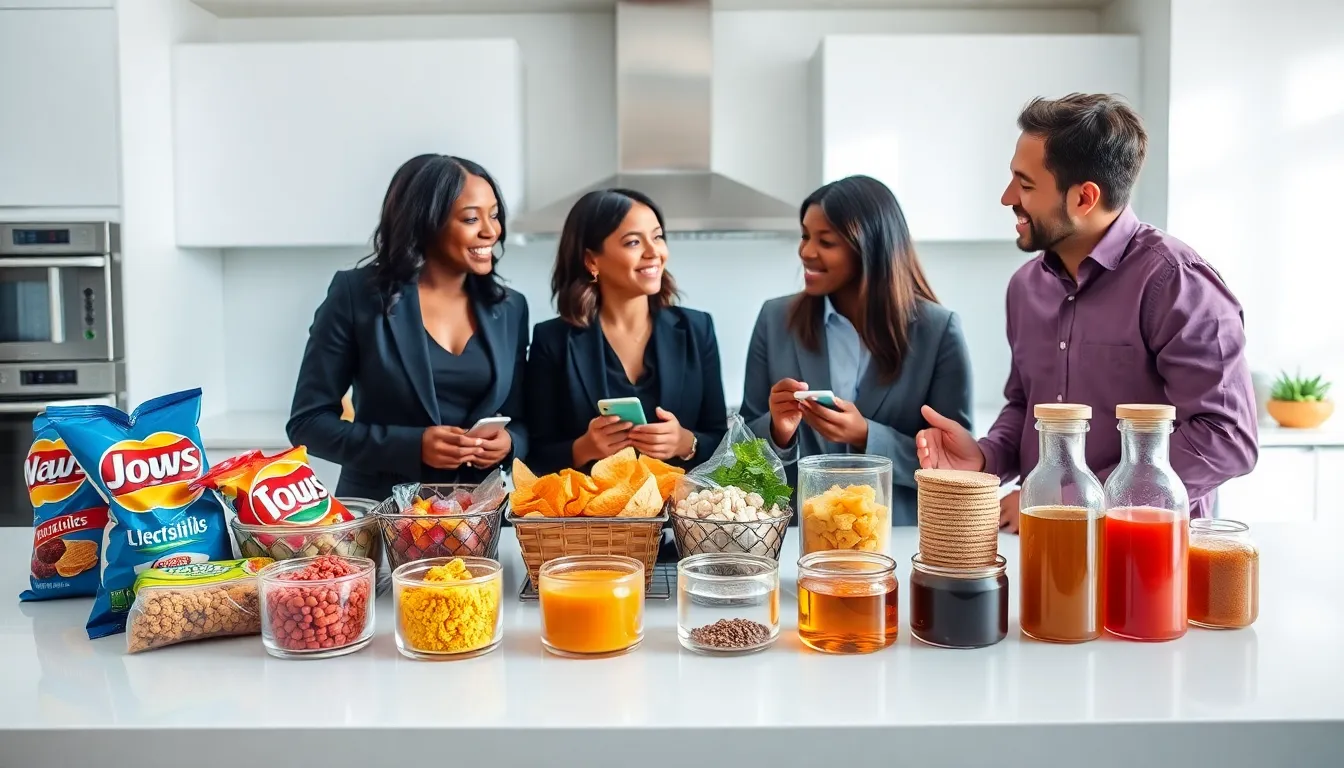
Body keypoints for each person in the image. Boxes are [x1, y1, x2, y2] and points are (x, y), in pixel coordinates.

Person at [916, 93, 1258, 529]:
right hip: (1045, 540)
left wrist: (1077, 499)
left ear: (1084, 198)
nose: (1006, 198)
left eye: (1025, 185)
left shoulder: (1176, 282)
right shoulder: (1025, 287)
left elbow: (1227, 440)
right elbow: (1025, 408)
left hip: (1147, 546)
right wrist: (985, 457)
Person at [288, 154, 530, 500]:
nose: (491, 231)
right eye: (471, 218)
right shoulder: (357, 295)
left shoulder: (509, 307)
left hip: (479, 519)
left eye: (494, 215)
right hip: (384, 516)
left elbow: (522, 420)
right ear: (426, 222)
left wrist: (509, 443)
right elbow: (308, 424)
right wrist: (411, 446)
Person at [740, 175, 973, 526]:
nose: (806, 252)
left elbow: (957, 468)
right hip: (797, 538)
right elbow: (739, 450)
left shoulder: (938, 331)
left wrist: (866, 435)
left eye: (826, 241)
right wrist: (777, 430)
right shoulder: (775, 320)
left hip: (896, 537)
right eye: (804, 236)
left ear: (870, 249)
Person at [525, 188, 728, 475]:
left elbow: (722, 442)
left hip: (680, 514)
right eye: (634, 242)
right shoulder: (553, 340)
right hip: (593, 516)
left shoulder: (698, 329)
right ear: (591, 260)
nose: (654, 252)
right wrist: (585, 447)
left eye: (657, 237)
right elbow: (533, 455)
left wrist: (686, 442)